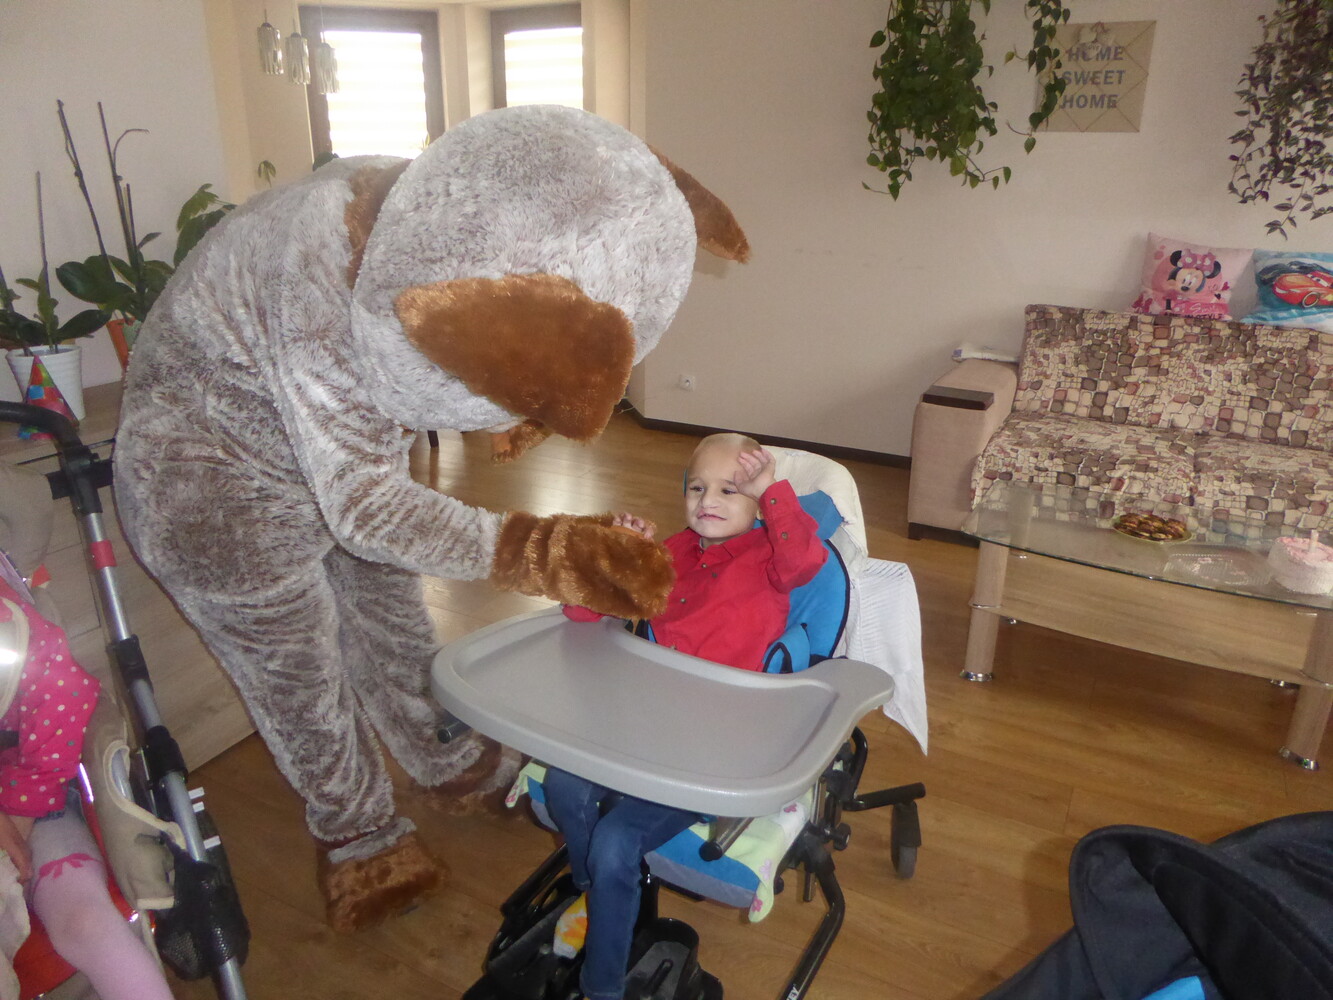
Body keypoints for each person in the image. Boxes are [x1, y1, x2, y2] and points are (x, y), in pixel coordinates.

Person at [545, 432, 828, 1000]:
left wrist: (771, 490)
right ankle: (593, 892)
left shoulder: (772, 558)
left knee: (616, 841)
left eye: (730, 490)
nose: (708, 501)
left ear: (759, 505)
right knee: (563, 785)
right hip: (645, 719)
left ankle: (603, 987)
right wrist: (618, 556)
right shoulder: (671, 553)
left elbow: (806, 560)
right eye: (697, 488)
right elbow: (581, 614)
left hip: (715, 745)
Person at [0, 551, 175, 1000]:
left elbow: (60, 692)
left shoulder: (9, 626)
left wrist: (18, 814)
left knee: (86, 922)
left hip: (28, 798)